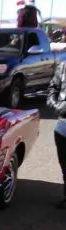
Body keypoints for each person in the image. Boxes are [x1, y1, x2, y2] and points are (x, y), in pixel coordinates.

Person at [47, 61, 66, 208]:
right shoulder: (63, 66)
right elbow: (53, 88)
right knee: (64, 165)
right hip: (63, 125)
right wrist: (56, 106)